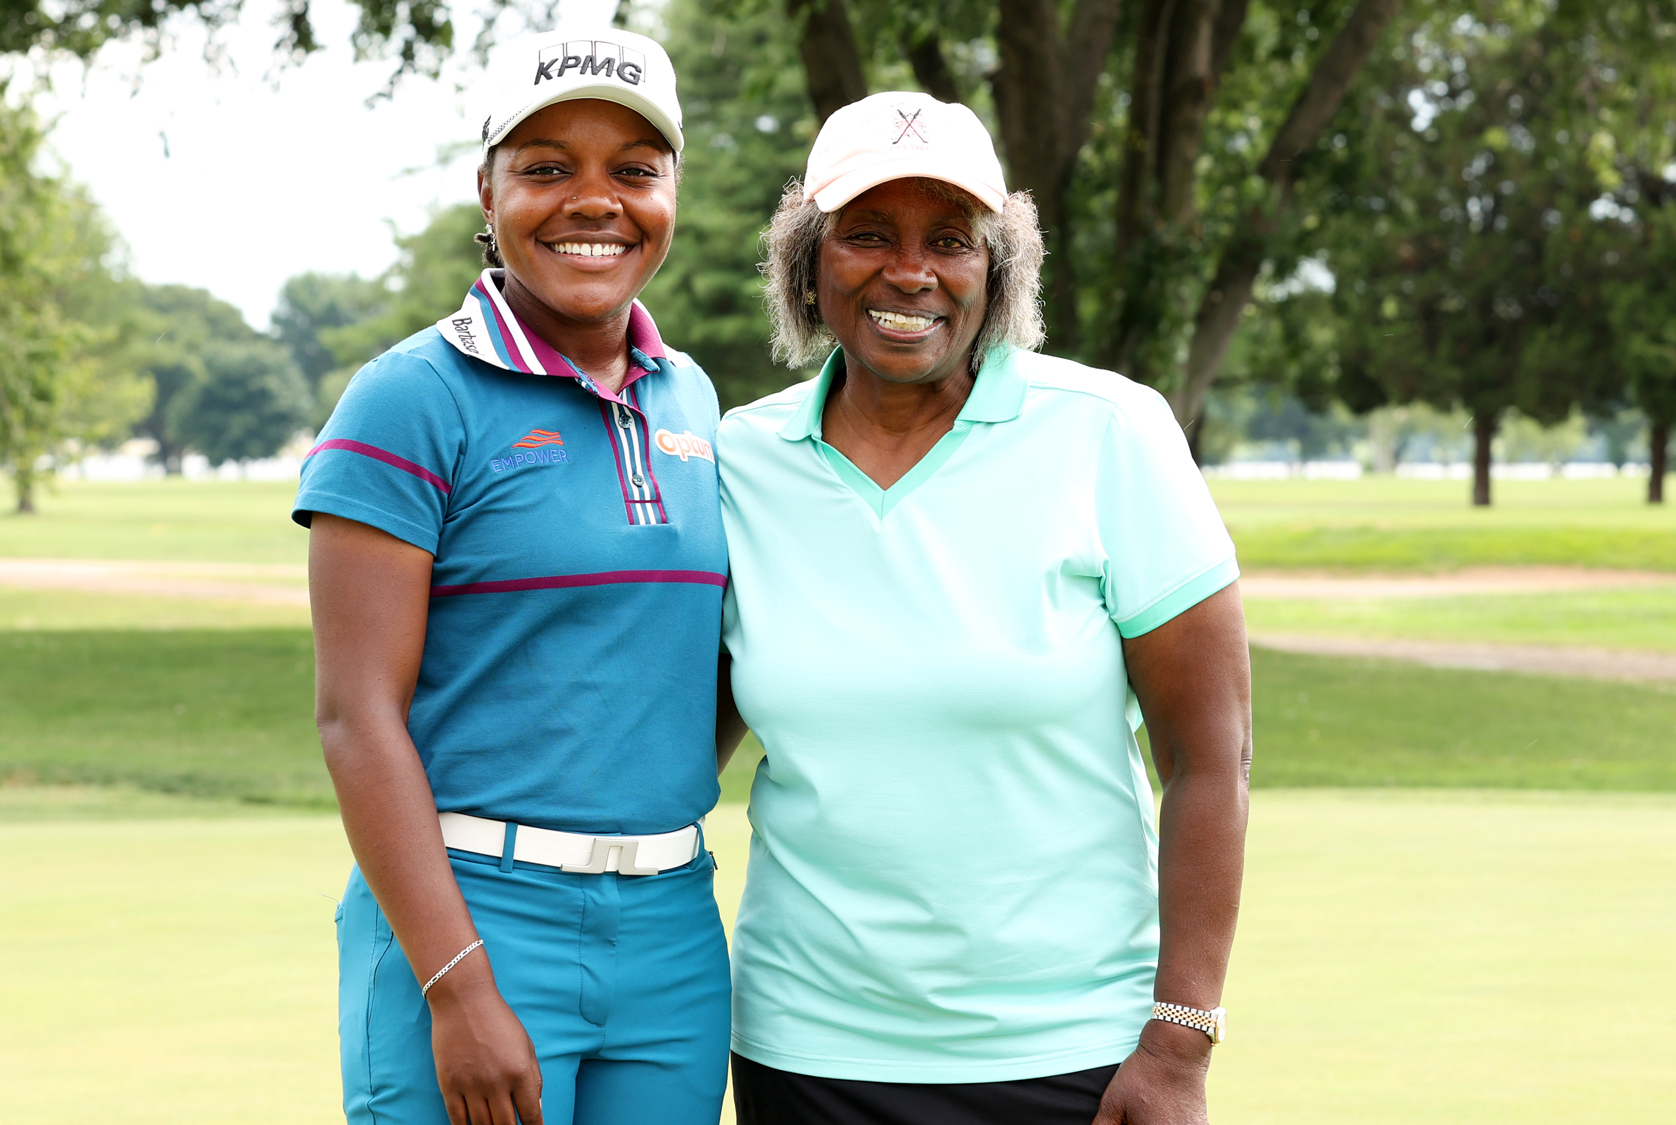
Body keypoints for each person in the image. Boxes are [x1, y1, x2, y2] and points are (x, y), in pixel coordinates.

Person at [717, 92, 1253, 1124]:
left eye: (950, 240)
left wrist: (1180, 1039)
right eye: (866, 235)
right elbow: (673, 739)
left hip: (1073, 1056)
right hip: (804, 1051)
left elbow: (1209, 757)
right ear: (805, 264)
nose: (908, 271)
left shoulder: (1111, 433)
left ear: (998, 269)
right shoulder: (737, 459)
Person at [297, 26, 731, 1125]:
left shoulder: (691, 400)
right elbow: (356, 716)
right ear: (485, 191)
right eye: (546, 169)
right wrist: (456, 981)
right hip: (474, 912)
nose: (595, 202)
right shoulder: (408, 397)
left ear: (671, 191)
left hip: (673, 921)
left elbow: (694, 669)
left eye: (633, 171)